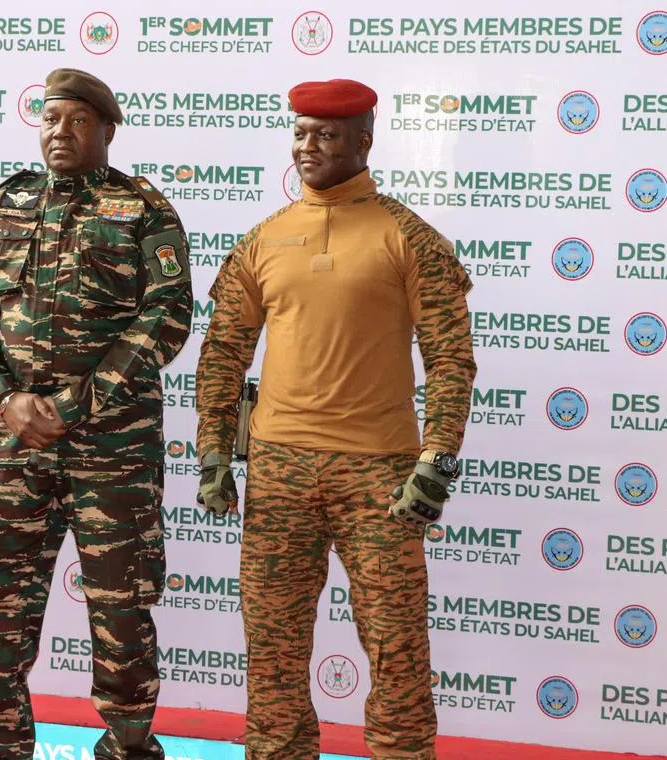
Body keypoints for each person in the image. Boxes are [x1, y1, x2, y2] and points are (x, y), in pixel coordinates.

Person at [195, 79, 476, 760]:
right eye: (300, 133)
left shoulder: (409, 237)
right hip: (278, 472)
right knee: (272, 649)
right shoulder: (264, 239)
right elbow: (224, 350)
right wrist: (213, 451)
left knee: (397, 647)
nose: (308, 146)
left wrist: (437, 458)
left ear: (363, 142)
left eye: (326, 135)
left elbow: (450, 358)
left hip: (380, 477)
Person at [0, 68, 192, 760]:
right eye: (51, 119)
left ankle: (126, 747)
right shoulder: (6, 204)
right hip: (15, 446)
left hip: (112, 450)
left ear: (107, 130)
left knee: (121, 609)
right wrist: (4, 396)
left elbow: (167, 315)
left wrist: (74, 404)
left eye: (78, 121)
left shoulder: (141, 209)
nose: (61, 132)